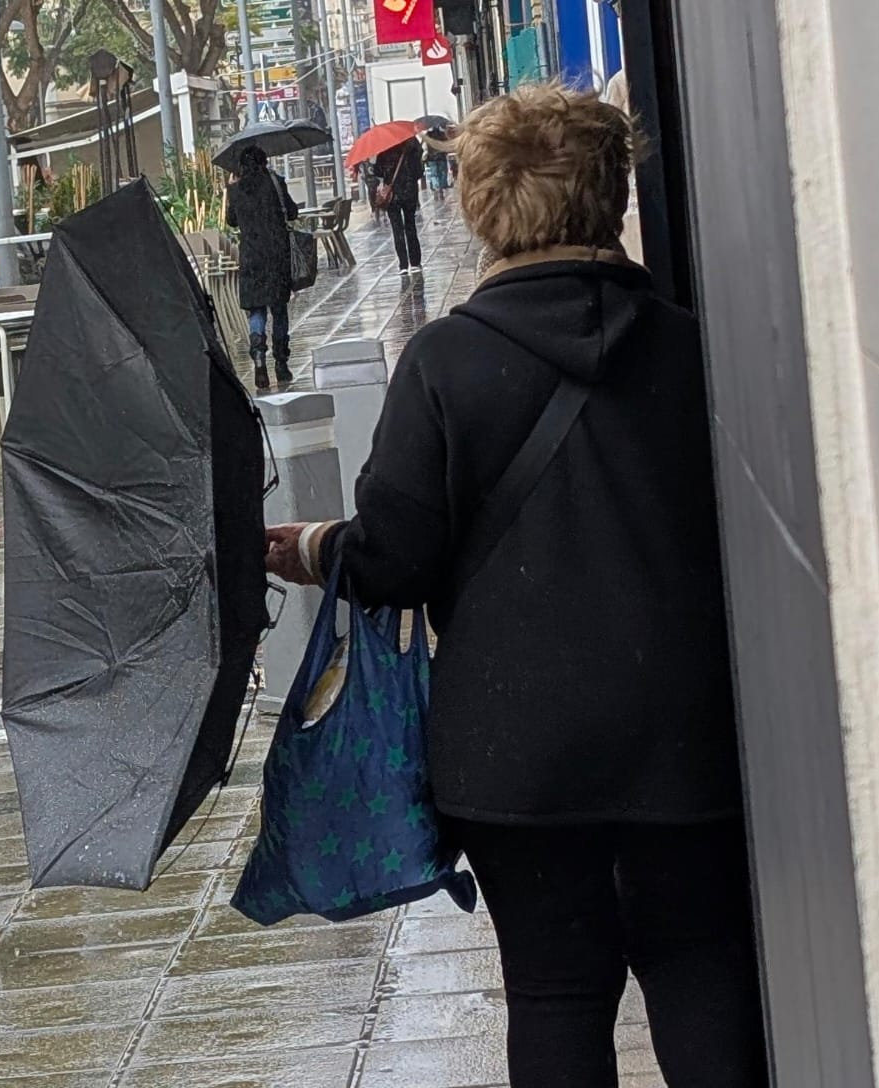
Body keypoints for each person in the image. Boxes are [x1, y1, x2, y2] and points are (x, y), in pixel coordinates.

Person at [264, 83, 766, 1088]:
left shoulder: (447, 363)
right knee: (701, 971)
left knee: (554, 992)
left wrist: (313, 546)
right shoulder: (693, 343)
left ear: (484, 204)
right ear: (610, 192)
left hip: (516, 751)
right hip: (689, 728)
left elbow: (398, 556)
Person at [224, 145, 300, 389]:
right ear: (264, 161)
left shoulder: (236, 189)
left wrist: (231, 188)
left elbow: (231, 221)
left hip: (251, 257)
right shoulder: (275, 182)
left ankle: (259, 359)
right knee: (279, 310)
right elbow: (292, 212)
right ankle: (281, 363)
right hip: (276, 255)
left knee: (256, 311)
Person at [369, 137, 424, 275]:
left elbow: (377, 172)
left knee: (397, 228)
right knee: (410, 225)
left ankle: (403, 264)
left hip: (392, 195)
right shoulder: (411, 147)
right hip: (409, 192)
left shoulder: (385, 149)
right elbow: (419, 172)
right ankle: (415, 262)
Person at [423, 131, 452, 200]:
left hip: (431, 158)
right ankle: (440, 189)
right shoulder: (442, 134)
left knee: (433, 174)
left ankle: (436, 187)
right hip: (441, 157)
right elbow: (447, 145)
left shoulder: (428, 135)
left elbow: (425, 147)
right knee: (442, 174)